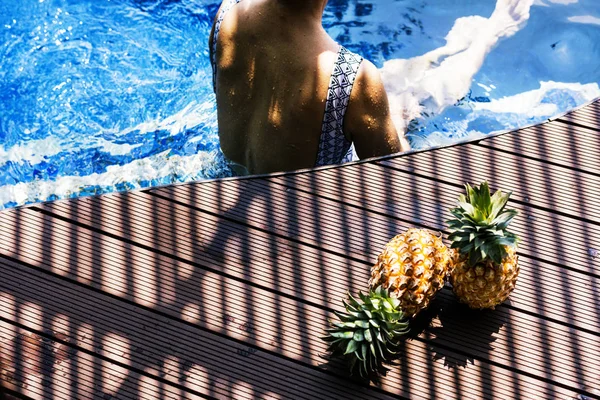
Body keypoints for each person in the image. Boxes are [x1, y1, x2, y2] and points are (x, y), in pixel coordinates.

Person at [209, 0, 411, 175]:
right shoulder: (351, 77)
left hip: (226, 182)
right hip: (301, 213)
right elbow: (394, 179)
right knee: (406, 99)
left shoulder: (227, 16)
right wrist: (398, 126)